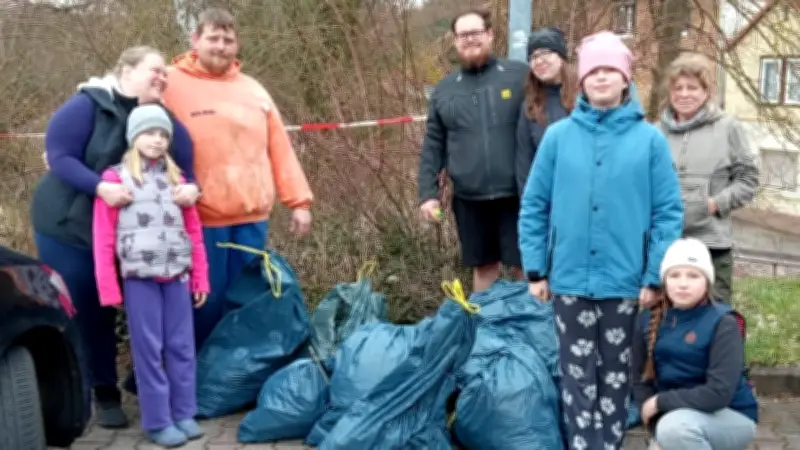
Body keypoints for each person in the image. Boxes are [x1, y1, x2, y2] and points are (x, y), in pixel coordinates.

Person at [519, 31, 684, 450]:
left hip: (626, 282)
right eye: (594, 71)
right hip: (569, 279)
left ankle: (608, 443)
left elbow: (668, 213)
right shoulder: (558, 137)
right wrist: (536, 269)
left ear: (626, 79)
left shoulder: (650, 140)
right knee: (576, 375)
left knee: (616, 374)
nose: (603, 77)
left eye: (611, 69)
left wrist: (654, 276)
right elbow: (534, 205)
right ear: (582, 80)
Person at [30, 46, 201, 429]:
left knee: (151, 306)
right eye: (155, 70)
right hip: (69, 226)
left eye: (165, 73)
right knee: (91, 306)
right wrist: (100, 187)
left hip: (136, 235)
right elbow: (60, 156)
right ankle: (102, 390)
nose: (163, 77)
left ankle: (145, 380)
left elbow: (187, 168)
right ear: (126, 70)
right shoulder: (87, 105)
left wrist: (193, 188)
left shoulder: (162, 119)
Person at [161, 8, 314, 348]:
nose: (221, 46)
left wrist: (299, 202)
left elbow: (280, 147)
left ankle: (235, 370)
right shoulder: (170, 84)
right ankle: (195, 368)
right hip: (198, 219)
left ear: (237, 44)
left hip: (251, 219)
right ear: (195, 40)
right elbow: (131, 117)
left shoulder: (253, 90)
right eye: (213, 38)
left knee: (247, 303)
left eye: (228, 40)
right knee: (203, 303)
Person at [92, 104, 209, 447]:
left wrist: (200, 278)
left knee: (181, 347)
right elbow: (103, 237)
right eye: (149, 133)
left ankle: (184, 412)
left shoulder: (179, 182)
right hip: (140, 279)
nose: (157, 140)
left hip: (178, 277)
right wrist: (109, 288)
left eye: (163, 135)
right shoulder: (115, 180)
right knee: (148, 351)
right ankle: (158, 421)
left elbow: (194, 233)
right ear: (133, 137)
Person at [417, 8, 528, 292]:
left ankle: (534, 320)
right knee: (484, 268)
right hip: (470, 199)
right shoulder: (444, 90)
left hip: (518, 195)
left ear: (490, 35)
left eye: (475, 32)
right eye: (462, 35)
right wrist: (428, 194)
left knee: (527, 266)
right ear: (455, 41)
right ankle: (485, 319)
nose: (469, 39)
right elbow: (433, 143)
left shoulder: (519, 76)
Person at [631, 238, 758, 450]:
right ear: (664, 280)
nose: (683, 283)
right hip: (676, 418)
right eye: (674, 275)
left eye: (693, 275)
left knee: (675, 431)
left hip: (728, 414)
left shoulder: (724, 322)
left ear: (707, 281)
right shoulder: (647, 320)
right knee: (671, 432)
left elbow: (718, 393)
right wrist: (656, 426)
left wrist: (660, 403)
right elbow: (640, 380)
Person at [658, 52, 759, 301]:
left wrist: (714, 204)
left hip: (711, 242)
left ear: (706, 91)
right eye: (678, 88)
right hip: (664, 241)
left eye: (692, 87)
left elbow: (748, 180)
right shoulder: (655, 132)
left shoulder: (729, 128)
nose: (684, 94)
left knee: (715, 314)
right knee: (662, 313)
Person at [516, 26, 576, 193]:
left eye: (546, 53)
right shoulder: (530, 107)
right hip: (548, 198)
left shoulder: (586, 96)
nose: (539, 61)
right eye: (534, 56)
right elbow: (524, 163)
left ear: (561, 56)